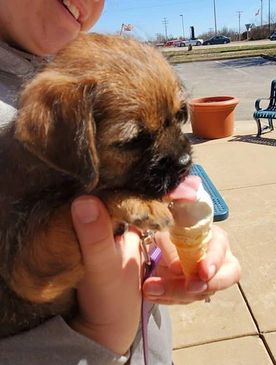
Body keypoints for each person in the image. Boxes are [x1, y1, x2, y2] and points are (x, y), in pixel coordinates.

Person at [0, 1, 241, 364]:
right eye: (132, 140)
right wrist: (104, 332)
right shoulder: (56, 104)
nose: (183, 155)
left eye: (179, 117)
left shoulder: (76, 60)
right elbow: (33, 273)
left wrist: (162, 243)